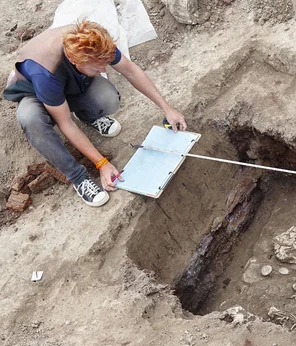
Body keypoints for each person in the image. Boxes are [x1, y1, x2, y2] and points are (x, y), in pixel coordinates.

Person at [2, 19, 187, 207]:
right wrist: (102, 163)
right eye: (97, 67)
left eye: (104, 64)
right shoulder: (45, 73)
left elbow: (131, 71)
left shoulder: (95, 42)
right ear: (75, 60)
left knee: (107, 97)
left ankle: (87, 115)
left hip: (68, 83)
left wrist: (167, 108)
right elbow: (66, 123)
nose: (104, 70)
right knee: (31, 119)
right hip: (35, 92)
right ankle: (78, 178)